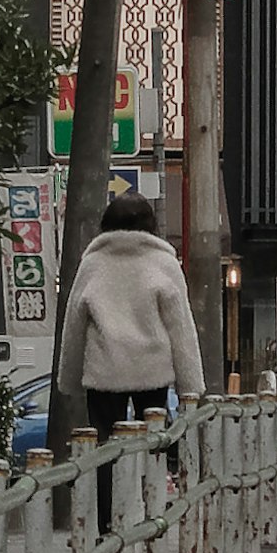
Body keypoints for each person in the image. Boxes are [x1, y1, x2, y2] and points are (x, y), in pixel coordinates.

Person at [55, 185, 205, 433]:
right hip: (152, 370)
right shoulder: (164, 263)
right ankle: (147, 472)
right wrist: (190, 385)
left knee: (104, 445)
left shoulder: (92, 263)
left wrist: (69, 380)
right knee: (151, 442)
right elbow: (181, 328)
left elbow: (75, 323)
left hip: (104, 370)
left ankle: (108, 474)